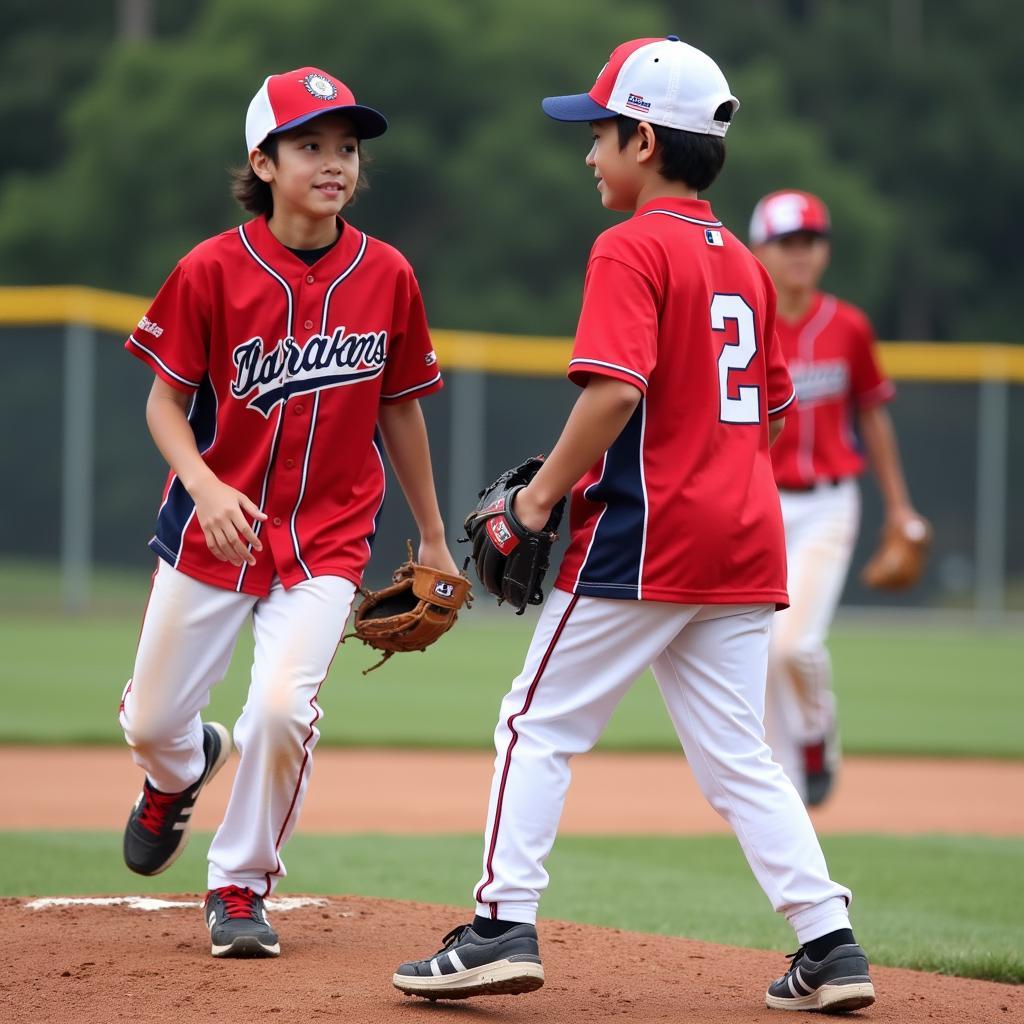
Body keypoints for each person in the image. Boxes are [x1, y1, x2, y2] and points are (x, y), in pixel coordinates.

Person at [393, 37, 875, 1013]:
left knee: (534, 721)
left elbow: (614, 393)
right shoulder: (741, 261)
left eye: (601, 133)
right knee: (740, 755)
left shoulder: (628, 244)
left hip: (646, 538)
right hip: (746, 540)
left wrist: (534, 504)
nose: (589, 153)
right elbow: (773, 409)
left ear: (645, 141)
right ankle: (828, 943)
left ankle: (499, 924)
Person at [119, 66, 456, 958]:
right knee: (152, 723)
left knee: (282, 709)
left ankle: (239, 885)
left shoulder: (386, 274)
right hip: (213, 529)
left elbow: (400, 405)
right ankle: (179, 771)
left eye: (347, 147)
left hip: (328, 537)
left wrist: (429, 531)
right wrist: (201, 481)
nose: (335, 161)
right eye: (310, 145)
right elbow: (162, 403)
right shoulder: (210, 270)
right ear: (263, 161)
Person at [749, 190, 925, 807]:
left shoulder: (847, 326)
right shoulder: (743, 320)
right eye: (787, 242)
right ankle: (786, 787)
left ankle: (817, 731)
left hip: (827, 504)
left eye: (811, 242)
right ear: (759, 249)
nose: (800, 254)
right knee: (759, 647)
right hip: (757, 501)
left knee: (794, 643)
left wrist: (899, 508)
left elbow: (873, 417)